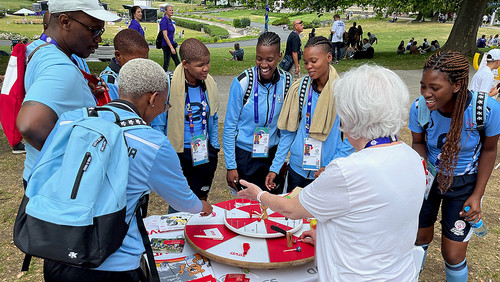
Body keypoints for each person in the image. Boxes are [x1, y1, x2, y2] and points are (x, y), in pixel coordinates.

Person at [239, 64, 425, 281]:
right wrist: (328, 237)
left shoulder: (348, 170)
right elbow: (379, 220)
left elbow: (290, 209)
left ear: (351, 116)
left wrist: (258, 194)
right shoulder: (413, 158)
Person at [43, 58, 213, 281]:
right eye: (165, 104)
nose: (163, 110)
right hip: (111, 263)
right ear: (153, 98)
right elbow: (182, 200)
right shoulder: (153, 143)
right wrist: (202, 205)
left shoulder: (71, 119)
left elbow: (43, 174)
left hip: (56, 253)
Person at [410, 52, 500, 281]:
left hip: (463, 185)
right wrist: (421, 174)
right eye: (423, 86)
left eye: (434, 88)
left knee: (453, 253)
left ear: (457, 85)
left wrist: (477, 195)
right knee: (418, 239)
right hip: (429, 181)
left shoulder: (486, 110)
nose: (426, 94)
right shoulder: (420, 107)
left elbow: (490, 150)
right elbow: (418, 142)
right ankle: (412, 274)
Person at [17, 0, 119, 189]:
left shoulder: (39, 48)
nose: (99, 39)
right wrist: (76, 161)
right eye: (94, 30)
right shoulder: (60, 68)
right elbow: (30, 125)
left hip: (37, 175)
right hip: (59, 187)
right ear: (65, 22)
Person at [266, 36, 354, 192]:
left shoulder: (344, 93)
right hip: (297, 169)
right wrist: (275, 167)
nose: (309, 66)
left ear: (329, 57)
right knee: (293, 214)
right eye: (306, 62)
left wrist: (331, 166)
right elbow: (288, 133)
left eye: (314, 61)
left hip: (326, 172)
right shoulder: (299, 89)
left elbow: (353, 138)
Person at [151, 38, 219, 213]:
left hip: (203, 151)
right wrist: (163, 154)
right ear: (185, 64)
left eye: (208, 63)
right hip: (178, 152)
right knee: (179, 201)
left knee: (201, 200)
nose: (206, 68)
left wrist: (214, 146)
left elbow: (213, 116)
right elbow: (159, 123)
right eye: (200, 65)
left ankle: (196, 234)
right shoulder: (168, 83)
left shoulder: (209, 83)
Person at [223, 32, 288, 194]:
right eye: (259, 59)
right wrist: (231, 166)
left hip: (272, 154)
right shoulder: (243, 83)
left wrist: (279, 163)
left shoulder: (287, 81)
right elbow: (230, 127)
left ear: (279, 56)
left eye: (269, 59)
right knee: (246, 209)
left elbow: (287, 126)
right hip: (246, 155)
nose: (263, 64)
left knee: (272, 206)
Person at [99, 29, 149, 100]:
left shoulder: (138, 74)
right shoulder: (110, 82)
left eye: (145, 60)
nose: (142, 66)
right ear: (118, 55)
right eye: (135, 62)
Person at [160, 5, 180, 72]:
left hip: (171, 44)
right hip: (166, 45)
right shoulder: (164, 21)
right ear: (166, 11)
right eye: (170, 10)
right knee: (166, 63)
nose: (171, 11)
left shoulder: (170, 20)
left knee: (177, 62)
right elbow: (165, 36)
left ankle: (180, 76)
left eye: (172, 10)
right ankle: (163, 77)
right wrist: (171, 48)